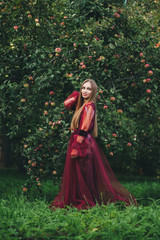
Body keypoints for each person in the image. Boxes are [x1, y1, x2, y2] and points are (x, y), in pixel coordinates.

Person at [49, 79, 137, 210]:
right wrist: (78, 96)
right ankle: (79, 198)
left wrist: (76, 146)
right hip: (78, 140)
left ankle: (85, 200)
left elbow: (84, 128)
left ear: (94, 91)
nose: (85, 91)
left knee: (83, 173)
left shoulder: (89, 106)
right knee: (77, 173)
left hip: (82, 142)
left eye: (89, 89)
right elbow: (67, 104)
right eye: (83, 88)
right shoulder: (81, 105)